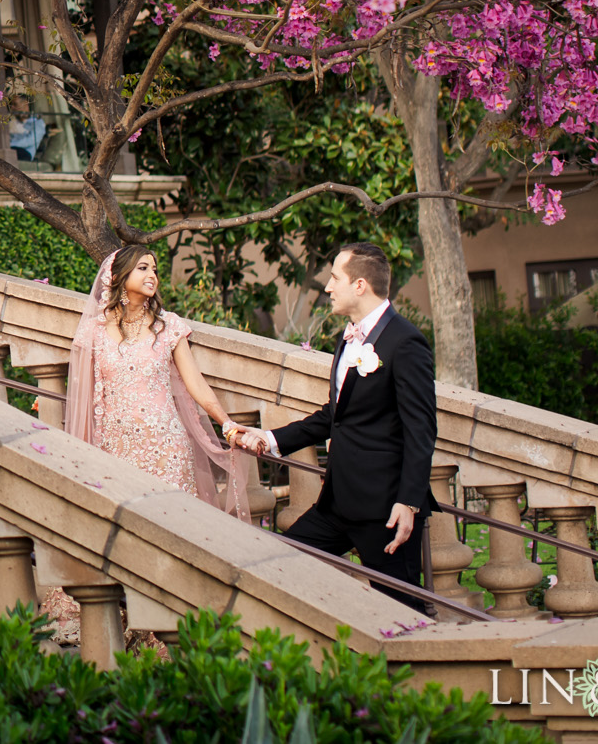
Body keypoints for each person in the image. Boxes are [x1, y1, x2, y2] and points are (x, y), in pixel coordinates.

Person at [38, 245, 250, 642]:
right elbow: (83, 394)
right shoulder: (95, 329)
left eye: (155, 267)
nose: (152, 274)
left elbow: (195, 384)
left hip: (167, 447)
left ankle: (166, 625)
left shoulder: (169, 326)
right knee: (124, 532)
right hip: (115, 450)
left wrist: (227, 423)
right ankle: (127, 616)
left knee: (170, 532)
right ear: (117, 277)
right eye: (142, 267)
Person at [231, 242, 438, 611]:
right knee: (280, 563)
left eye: (334, 278)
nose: (328, 287)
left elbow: (420, 430)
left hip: (384, 508)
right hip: (337, 504)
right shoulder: (350, 338)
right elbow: (335, 415)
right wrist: (272, 437)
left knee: (403, 612)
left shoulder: (405, 342)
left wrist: (408, 501)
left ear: (359, 285)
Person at [5, 95, 47, 164]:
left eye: (15, 104)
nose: (12, 107)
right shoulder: (12, 121)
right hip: (9, 149)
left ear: (25, 104)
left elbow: (30, 140)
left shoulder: (37, 122)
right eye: (10, 105)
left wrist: (9, 145)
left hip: (24, 152)